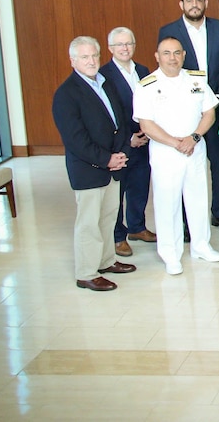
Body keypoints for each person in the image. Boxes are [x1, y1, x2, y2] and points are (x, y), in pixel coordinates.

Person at [133, 37, 219, 275]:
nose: (172, 58)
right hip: (166, 152)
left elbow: (209, 114)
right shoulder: (146, 85)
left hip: (194, 148)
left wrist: (192, 138)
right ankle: (170, 254)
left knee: (198, 199)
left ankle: (201, 246)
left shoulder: (196, 80)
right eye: (166, 53)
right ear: (157, 56)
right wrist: (176, 142)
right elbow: (146, 124)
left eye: (176, 53)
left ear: (183, 55)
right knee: (168, 204)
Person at [53, 36, 135, 291]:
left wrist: (120, 153)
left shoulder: (105, 83)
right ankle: (87, 273)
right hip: (89, 170)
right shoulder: (66, 94)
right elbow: (75, 140)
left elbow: (120, 121)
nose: (91, 61)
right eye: (85, 57)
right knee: (88, 223)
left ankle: (106, 260)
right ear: (73, 61)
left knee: (108, 218)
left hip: (113, 166)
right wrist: (106, 159)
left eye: (94, 56)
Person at [158, 0, 219, 231]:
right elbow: (168, 70)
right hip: (185, 110)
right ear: (181, 5)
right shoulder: (169, 31)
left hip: (216, 107)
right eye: (189, 1)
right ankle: (186, 222)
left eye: (198, 0)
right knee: (186, 163)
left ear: (206, 3)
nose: (194, 5)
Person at [99, 27, 156, 257]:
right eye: (119, 44)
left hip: (144, 139)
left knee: (140, 186)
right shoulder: (104, 74)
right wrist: (128, 139)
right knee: (118, 192)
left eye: (128, 43)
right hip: (120, 143)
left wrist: (147, 132)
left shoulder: (142, 70)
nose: (124, 48)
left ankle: (137, 227)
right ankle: (117, 237)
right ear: (111, 48)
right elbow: (110, 112)